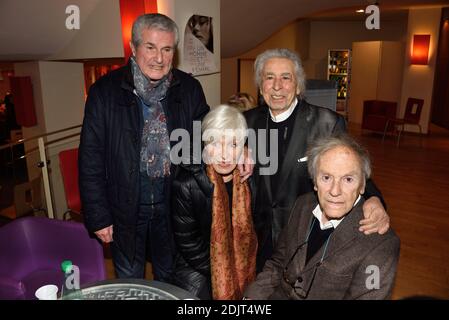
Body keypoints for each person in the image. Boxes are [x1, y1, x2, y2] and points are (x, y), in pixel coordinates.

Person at [78, 14, 212, 282]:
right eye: (150, 47)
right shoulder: (104, 92)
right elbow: (90, 158)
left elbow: (208, 134)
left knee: (170, 277)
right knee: (130, 279)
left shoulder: (189, 89)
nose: (159, 58)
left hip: (173, 205)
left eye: (166, 49)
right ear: (134, 47)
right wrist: (99, 216)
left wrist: (237, 144)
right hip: (124, 206)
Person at [244, 48, 390, 271]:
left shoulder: (327, 123)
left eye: (286, 78)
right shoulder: (247, 121)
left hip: (305, 235)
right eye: (269, 77)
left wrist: (374, 199)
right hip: (260, 235)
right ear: (260, 84)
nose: (276, 86)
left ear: (298, 85)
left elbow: (352, 170)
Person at [244, 134, 400, 299]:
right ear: (314, 182)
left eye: (348, 179)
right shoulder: (302, 205)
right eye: (326, 178)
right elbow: (277, 264)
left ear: (362, 185)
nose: (335, 191)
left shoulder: (381, 244)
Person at [171, 105, 257, 300]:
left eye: (233, 145)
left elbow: (257, 227)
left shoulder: (249, 179)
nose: (224, 155)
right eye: (216, 144)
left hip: (245, 268)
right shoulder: (186, 184)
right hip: (199, 271)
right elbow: (189, 244)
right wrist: (226, 269)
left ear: (243, 147)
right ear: (205, 144)